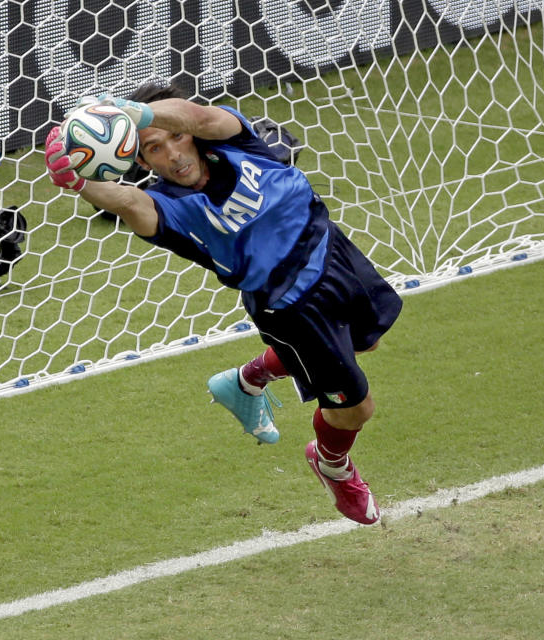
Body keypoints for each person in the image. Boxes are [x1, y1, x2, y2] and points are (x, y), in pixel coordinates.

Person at [44, 82, 402, 525]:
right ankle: (331, 465)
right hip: (291, 306)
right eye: (155, 149)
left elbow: (199, 117)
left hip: (332, 250)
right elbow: (127, 202)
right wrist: (78, 181)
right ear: (140, 160)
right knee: (354, 409)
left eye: (176, 137)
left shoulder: (233, 139)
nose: (173, 154)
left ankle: (249, 379)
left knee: (365, 344)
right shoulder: (166, 207)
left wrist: (137, 112)